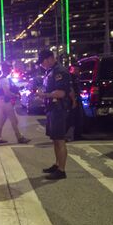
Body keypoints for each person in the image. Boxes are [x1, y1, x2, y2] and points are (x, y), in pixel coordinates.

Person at [37, 50, 71, 180]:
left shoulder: (60, 71)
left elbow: (61, 93)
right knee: (55, 139)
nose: (41, 65)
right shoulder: (50, 71)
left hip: (59, 109)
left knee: (60, 140)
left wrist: (44, 95)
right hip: (52, 109)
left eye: (42, 62)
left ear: (50, 59)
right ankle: (57, 165)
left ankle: (61, 170)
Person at [0, 63, 31, 144]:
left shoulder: (0, 79)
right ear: (8, 69)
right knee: (14, 121)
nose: (11, 70)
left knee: (1, 121)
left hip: (1, 101)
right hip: (6, 102)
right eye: (10, 68)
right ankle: (19, 137)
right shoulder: (4, 80)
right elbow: (7, 92)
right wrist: (15, 95)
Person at [67, 65, 84, 141]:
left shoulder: (77, 77)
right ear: (71, 70)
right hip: (71, 100)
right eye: (75, 69)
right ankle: (70, 136)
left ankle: (77, 135)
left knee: (78, 118)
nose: (77, 71)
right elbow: (70, 89)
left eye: (78, 69)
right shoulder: (70, 77)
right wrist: (73, 100)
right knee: (72, 118)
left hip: (77, 98)